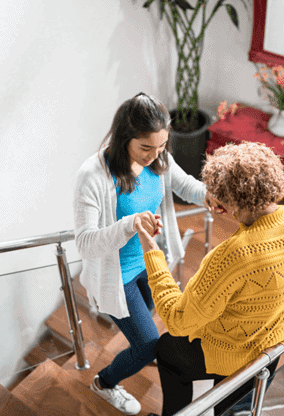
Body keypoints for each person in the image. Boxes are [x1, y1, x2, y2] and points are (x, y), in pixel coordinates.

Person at [134, 142, 284, 416]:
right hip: (273, 340)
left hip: (231, 350)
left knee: (167, 349)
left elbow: (177, 319)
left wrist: (151, 249)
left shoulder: (234, 256)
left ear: (233, 202)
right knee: (231, 407)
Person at [72, 92, 221, 415]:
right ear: (125, 139)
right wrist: (129, 225)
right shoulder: (93, 176)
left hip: (151, 264)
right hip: (118, 277)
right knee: (149, 345)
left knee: (151, 324)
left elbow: (185, 186)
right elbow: (84, 242)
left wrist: (209, 195)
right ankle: (104, 382)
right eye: (146, 148)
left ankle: (130, 356)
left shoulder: (159, 158)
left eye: (162, 146)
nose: (155, 156)